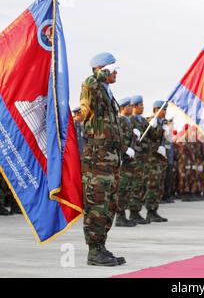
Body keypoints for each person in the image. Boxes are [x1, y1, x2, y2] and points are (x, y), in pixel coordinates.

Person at [80, 52, 127, 266]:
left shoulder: (108, 93)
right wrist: (99, 74)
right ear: (102, 69)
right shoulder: (92, 86)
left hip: (111, 159)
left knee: (110, 204)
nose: (116, 72)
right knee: (96, 204)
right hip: (97, 159)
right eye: (113, 68)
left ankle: (101, 246)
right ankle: (94, 251)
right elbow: (89, 82)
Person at [144, 100, 169, 222]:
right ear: (156, 110)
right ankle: (150, 211)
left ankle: (154, 210)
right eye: (163, 109)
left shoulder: (163, 122)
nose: (165, 112)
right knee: (152, 185)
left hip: (160, 159)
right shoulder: (151, 121)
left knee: (159, 185)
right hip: (152, 158)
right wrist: (158, 128)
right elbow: (154, 136)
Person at [115, 97, 137, 227]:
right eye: (128, 106)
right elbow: (118, 138)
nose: (131, 107)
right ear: (123, 108)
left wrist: (135, 137)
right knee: (122, 188)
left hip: (129, 161)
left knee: (127, 188)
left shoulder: (128, 121)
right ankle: (120, 216)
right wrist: (125, 149)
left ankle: (123, 214)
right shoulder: (120, 120)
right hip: (123, 160)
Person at [128, 95, 150, 225]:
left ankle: (137, 210)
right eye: (141, 106)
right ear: (135, 106)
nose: (143, 108)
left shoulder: (143, 121)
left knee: (141, 185)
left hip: (143, 158)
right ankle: (133, 212)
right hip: (134, 159)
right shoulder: (130, 120)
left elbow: (152, 136)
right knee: (134, 186)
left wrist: (155, 126)